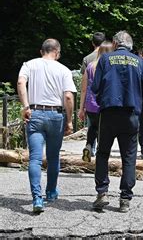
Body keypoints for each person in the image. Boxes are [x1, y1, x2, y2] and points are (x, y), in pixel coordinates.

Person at [91, 31, 143, 213]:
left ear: (116, 44)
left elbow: (95, 87)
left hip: (108, 114)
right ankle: (125, 199)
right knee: (129, 157)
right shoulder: (138, 61)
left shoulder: (105, 59)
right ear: (131, 46)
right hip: (131, 115)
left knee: (102, 153)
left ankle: (102, 193)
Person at [17, 39, 76, 213]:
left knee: (35, 158)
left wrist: (26, 106)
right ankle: (50, 192)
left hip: (34, 113)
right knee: (53, 157)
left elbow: (21, 82)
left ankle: (37, 198)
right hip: (55, 115)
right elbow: (68, 97)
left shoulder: (29, 65)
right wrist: (70, 120)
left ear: (41, 50)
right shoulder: (63, 69)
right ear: (57, 52)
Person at [78, 41, 114, 162]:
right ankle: (100, 153)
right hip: (105, 104)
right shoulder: (111, 67)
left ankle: (88, 145)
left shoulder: (90, 66)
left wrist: (81, 108)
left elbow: (83, 89)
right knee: (103, 130)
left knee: (92, 127)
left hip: (90, 104)